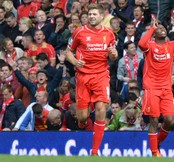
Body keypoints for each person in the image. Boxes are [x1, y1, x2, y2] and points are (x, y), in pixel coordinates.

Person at [138, 17, 174, 157]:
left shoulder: (172, 45)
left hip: (166, 88)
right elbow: (141, 43)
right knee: (154, 119)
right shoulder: (150, 46)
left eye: (163, 28)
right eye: (159, 28)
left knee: (170, 120)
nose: (162, 29)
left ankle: (156, 143)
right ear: (154, 33)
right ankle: (154, 153)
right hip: (152, 87)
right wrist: (152, 28)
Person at [65, 4, 118, 156]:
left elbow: (113, 56)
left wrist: (113, 54)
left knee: (101, 109)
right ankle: (83, 120)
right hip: (83, 77)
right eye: (90, 14)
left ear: (102, 16)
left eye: (95, 14)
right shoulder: (79, 32)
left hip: (101, 75)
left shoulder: (109, 33)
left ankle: (94, 151)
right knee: (82, 117)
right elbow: (68, 51)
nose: (92, 16)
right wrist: (75, 62)